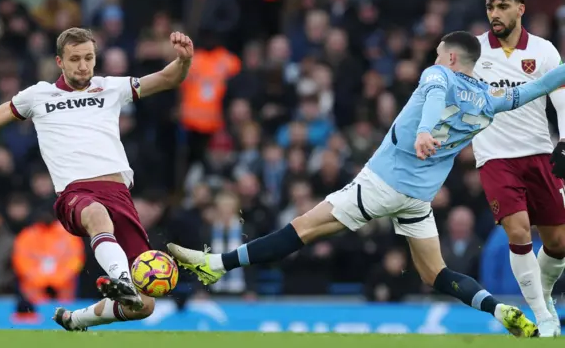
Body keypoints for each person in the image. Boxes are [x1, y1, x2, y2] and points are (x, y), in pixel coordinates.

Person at [168, 30, 565, 338]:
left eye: (439, 52)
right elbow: (538, 88)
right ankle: (499, 310)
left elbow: (434, 95)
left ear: (452, 56)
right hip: (418, 200)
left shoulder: (438, 73)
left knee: (302, 228)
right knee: (434, 273)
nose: (434, 58)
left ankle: (214, 265)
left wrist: (425, 131)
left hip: (382, 183)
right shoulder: (489, 101)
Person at [0, 27, 194, 331]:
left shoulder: (110, 87)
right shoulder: (37, 96)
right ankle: (121, 280)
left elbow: (168, 78)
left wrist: (184, 60)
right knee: (96, 214)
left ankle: (76, 319)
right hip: (76, 194)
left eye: (89, 58)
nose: (83, 65)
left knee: (144, 306)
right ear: (59, 61)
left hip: (119, 195)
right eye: (75, 58)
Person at [473, 0, 565, 336]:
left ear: (521, 9)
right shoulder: (473, 51)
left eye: (502, 6)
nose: (494, 13)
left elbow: (561, 97)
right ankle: (543, 316)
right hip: (495, 156)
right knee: (518, 230)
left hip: (539, 151)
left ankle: (543, 298)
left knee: (558, 243)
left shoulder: (543, 50)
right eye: (489, 7)